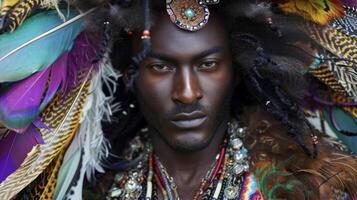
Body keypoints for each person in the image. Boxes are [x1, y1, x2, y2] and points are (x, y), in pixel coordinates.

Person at [0, 0, 357, 199]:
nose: (187, 93)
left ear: (235, 71)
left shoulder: (316, 185)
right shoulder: (92, 190)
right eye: (160, 66)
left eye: (208, 64)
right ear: (130, 75)